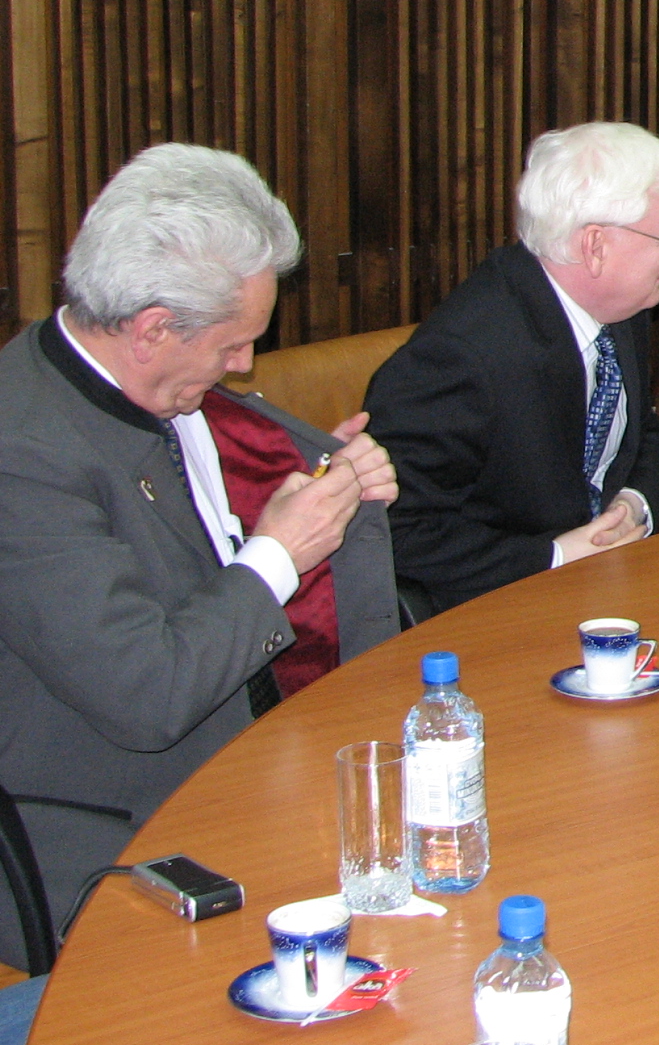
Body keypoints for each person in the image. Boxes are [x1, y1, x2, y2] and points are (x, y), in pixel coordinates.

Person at [0, 146, 398, 972]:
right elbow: (147, 693)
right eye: (233, 345)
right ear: (152, 329)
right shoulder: (21, 453)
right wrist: (281, 552)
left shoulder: (158, 391)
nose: (244, 367)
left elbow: (203, 545)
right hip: (113, 835)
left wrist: (330, 485)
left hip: (248, 768)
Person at [366, 123, 659, 613]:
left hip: (607, 588)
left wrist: (633, 504)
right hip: (494, 610)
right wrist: (556, 556)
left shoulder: (621, 310)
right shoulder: (461, 356)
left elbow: (643, 432)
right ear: (595, 246)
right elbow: (394, 531)